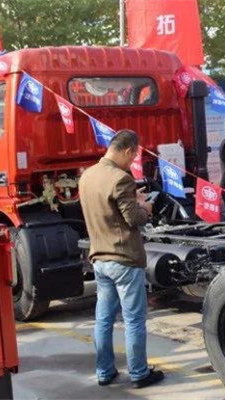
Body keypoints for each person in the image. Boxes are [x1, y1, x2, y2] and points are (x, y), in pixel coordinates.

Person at [79, 130, 164, 389]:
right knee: (134, 320)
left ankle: (104, 372)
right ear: (128, 150)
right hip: (124, 258)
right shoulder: (121, 178)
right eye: (133, 156)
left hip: (100, 258)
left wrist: (133, 201)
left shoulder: (87, 176)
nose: (132, 161)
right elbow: (133, 219)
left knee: (104, 319)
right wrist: (145, 207)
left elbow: (108, 210)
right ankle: (139, 373)